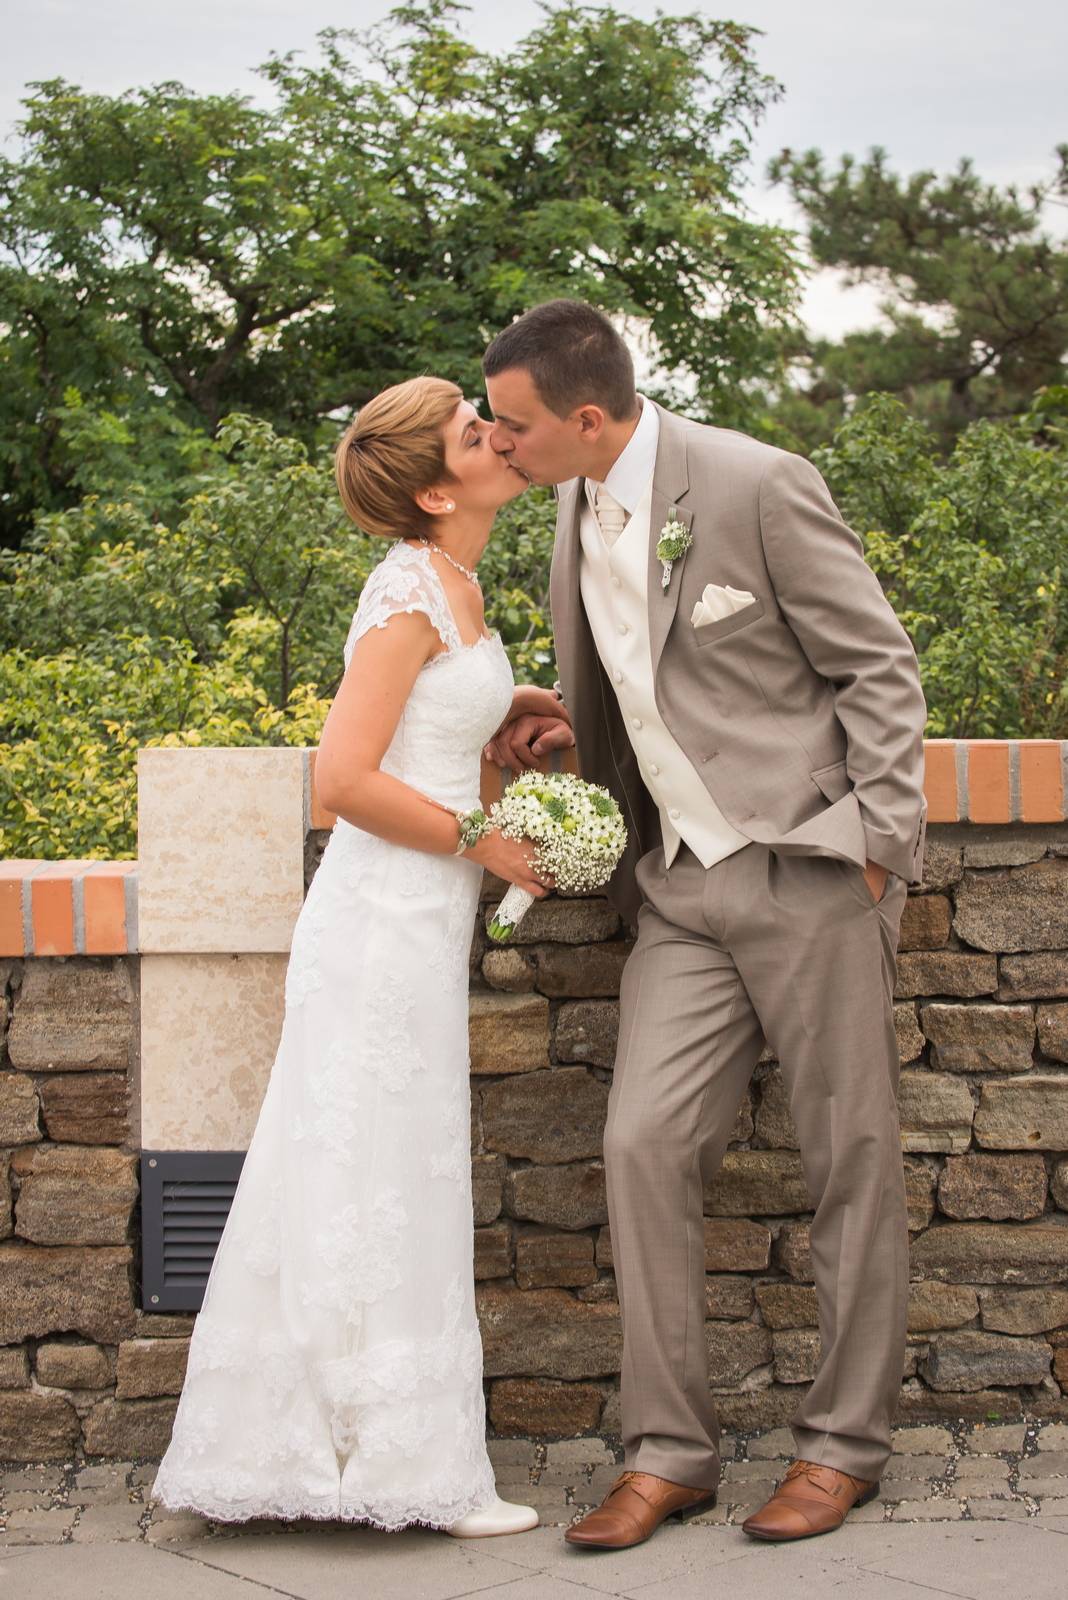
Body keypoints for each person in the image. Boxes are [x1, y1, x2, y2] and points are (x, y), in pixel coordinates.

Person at [483, 300, 928, 1549]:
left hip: (809, 868)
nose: (497, 443)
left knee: (849, 1159)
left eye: (512, 425)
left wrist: (874, 850)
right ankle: (670, 1453)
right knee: (642, 1144)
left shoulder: (756, 483)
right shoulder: (574, 506)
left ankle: (843, 1448)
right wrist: (561, 731)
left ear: (586, 417)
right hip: (678, 885)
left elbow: (879, 667)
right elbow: (646, 682)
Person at [151, 375, 562, 1537]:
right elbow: (339, 783)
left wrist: (513, 728)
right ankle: (388, 1465)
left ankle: (364, 1452)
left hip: (419, 923)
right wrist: (487, 841)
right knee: (371, 1173)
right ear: (435, 490)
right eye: (474, 432)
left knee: (393, 1173)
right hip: (378, 922)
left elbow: (433, 744)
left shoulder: (459, 585)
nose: (498, 436)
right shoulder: (405, 591)